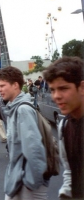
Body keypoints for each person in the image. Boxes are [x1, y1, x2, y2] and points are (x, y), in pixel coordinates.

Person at [0, 66, 48, 200]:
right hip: (19, 179)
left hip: (26, 182)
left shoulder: (22, 110)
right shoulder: (15, 108)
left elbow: (34, 148)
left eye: (2, 85)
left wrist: (32, 182)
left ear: (15, 85)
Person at [43, 56, 84, 199]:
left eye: (63, 88)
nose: (56, 96)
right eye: (52, 90)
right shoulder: (64, 126)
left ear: (82, 87)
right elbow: (70, 171)